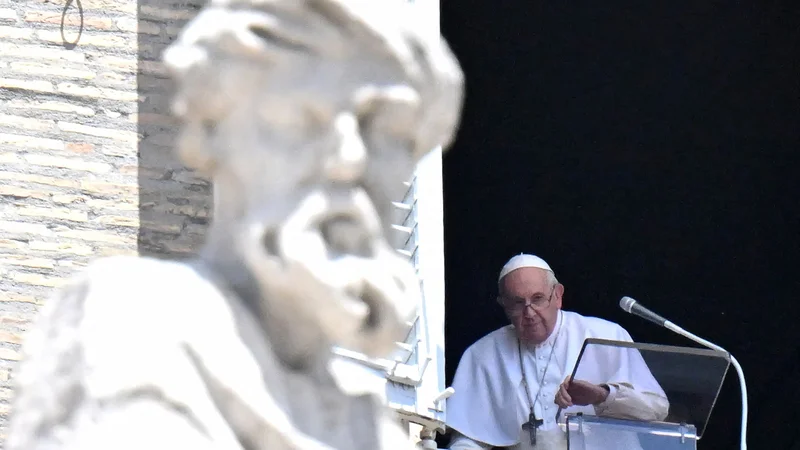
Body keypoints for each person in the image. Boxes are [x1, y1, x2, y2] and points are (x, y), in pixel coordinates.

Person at [445, 253, 669, 450]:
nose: (529, 312)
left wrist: (602, 396)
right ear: (503, 304)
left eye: (537, 299)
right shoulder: (483, 355)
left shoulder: (607, 336)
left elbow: (657, 409)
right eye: (517, 303)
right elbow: (468, 438)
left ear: (558, 295)